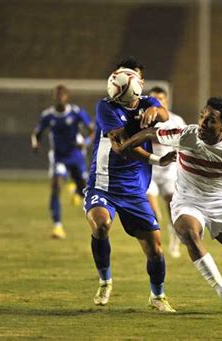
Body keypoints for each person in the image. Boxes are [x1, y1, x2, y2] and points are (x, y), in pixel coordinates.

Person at [115, 97, 222, 316]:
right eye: (202, 117)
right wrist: (125, 145)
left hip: (220, 202)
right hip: (187, 200)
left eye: (210, 121)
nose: (202, 124)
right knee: (189, 234)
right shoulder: (187, 135)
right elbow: (151, 133)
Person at [83, 57, 177, 312]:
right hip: (103, 183)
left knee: (155, 249)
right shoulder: (105, 107)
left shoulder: (148, 102)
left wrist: (156, 112)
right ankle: (105, 280)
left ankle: (157, 296)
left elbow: (165, 114)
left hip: (135, 189)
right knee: (101, 225)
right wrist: (157, 159)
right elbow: (123, 148)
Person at [31, 84, 93, 239]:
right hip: (58, 157)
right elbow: (36, 133)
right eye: (57, 95)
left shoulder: (76, 112)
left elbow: (92, 130)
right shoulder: (48, 116)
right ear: (54, 97)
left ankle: (75, 190)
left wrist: (85, 142)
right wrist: (35, 144)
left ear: (67, 96)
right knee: (56, 187)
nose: (60, 97)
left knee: (83, 189)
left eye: (62, 95)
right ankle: (57, 226)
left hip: (76, 156)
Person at [146, 86, 186, 258]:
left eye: (161, 99)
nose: (158, 102)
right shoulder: (144, 119)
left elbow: (186, 144)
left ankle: (175, 239)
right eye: (154, 99)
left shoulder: (176, 121)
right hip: (149, 171)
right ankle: (156, 247)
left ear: (166, 100)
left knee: (172, 208)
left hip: (169, 172)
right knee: (154, 213)